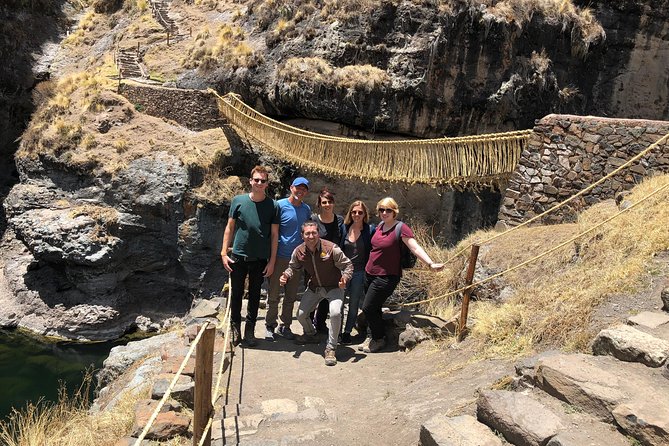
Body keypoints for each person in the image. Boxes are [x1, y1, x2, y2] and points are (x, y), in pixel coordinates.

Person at [359, 197, 444, 353]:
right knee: (375, 307)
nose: (384, 213)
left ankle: (379, 338)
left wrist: (430, 264)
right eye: (381, 210)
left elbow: (415, 248)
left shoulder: (401, 228)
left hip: (387, 276)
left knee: (368, 307)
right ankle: (373, 336)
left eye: (388, 210)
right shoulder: (379, 226)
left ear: (394, 211)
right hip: (369, 273)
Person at [220, 165, 279, 347]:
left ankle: (250, 331)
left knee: (254, 296)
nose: (259, 183)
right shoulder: (238, 201)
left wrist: (272, 261)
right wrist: (223, 252)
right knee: (236, 294)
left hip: (260, 258)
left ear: (267, 183)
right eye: (257, 180)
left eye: (263, 181)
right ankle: (235, 329)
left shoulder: (273, 206)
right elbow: (230, 227)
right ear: (251, 181)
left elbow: (275, 235)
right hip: (238, 256)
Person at [280, 221, 353, 366]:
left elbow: (348, 265)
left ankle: (331, 348)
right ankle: (310, 335)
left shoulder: (331, 248)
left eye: (314, 232)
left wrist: (345, 278)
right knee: (301, 314)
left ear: (318, 233)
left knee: (335, 313)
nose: (311, 236)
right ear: (302, 235)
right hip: (315, 288)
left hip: (334, 287)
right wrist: (286, 275)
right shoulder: (299, 251)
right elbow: (293, 267)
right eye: (307, 233)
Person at [265, 177, 311, 341]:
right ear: (291, 188)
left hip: (296, 260)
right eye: (298, 187)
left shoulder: (306, 209)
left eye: (304, 189)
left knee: (291, 296)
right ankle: (270, 325)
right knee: (274, 294)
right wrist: (271, 258)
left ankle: (285, 326)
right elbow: (273, 232)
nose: (300, 191)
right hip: (279, 257)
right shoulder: (280, 205)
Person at [339, 200, 375, 345]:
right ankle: (337, 331)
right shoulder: (344, 228)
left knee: (354, 304)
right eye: (354, 212)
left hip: (359, 272)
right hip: (343, 271)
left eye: (360, 212)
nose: (357, 214)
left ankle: (347, 332)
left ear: (365, 214)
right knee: (339, 303)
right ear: (350, 213)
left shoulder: (369, 230)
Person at [310, 188, 344, 333]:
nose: (327, 205)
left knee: (327, 294)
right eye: (324, 202)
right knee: (313, 293)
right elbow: (309, 240)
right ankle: (310, 322)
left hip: (332, 264)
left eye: (330, 202)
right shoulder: (314, 220)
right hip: (315, 263)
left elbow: (342, 241)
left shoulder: (339, 220)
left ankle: (320, 322)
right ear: (319, 204)